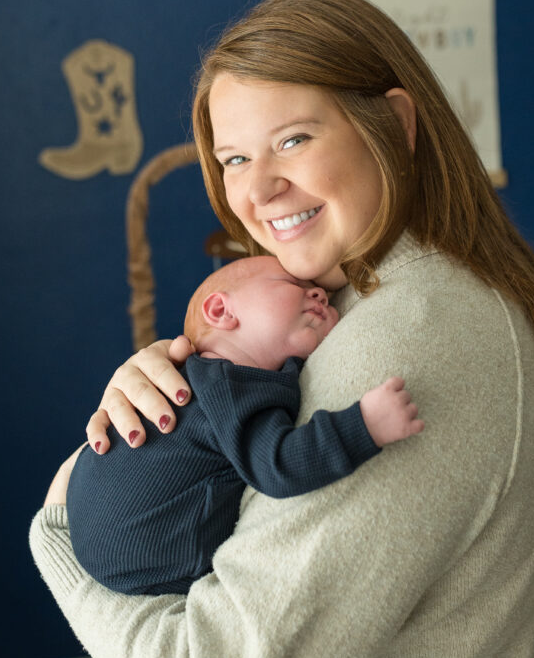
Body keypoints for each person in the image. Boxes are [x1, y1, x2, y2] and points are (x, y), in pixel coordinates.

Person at [31, 0, 534, 658]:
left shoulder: (403, 340)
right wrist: (149, 433)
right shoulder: (369, 300)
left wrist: (60, 533)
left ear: (395, 123)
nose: (258, 189)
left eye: (293, 139)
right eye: (233, 157)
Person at [67, 255, 423, 595]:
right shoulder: (229, 383)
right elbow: (277, 465)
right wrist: (364, 425)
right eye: (292, 284)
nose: (318, 294)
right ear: (221, 311)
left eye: (323, 294)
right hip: (141, 555)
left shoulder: (207, 379)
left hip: (87, 522)